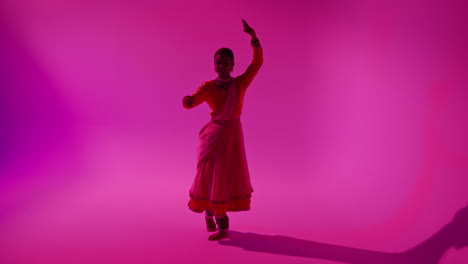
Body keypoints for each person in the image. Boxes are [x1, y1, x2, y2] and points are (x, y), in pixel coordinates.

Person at [182, 19, 263, 241]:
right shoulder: (209, 87)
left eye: (226, 63)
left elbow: (257, 64)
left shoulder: (240, 84)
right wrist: (188, 100)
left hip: (232, 135)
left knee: (225, 175)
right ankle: (210, 213)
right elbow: (194, 100)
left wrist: (253, 37)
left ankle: (222, 226)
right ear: (214, 64)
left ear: (232, 65)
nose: (222, 66)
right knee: (210, 174)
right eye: (218, 63)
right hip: (213, 136)